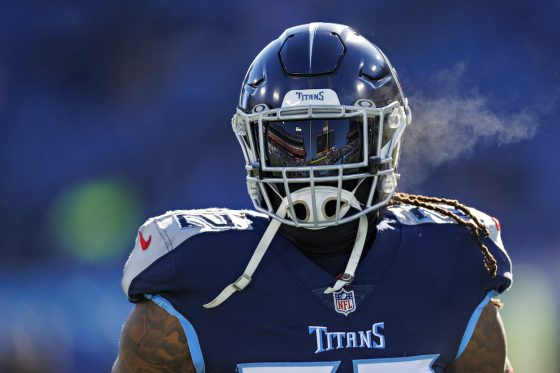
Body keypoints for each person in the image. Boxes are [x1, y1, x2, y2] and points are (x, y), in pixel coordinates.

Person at [113, 23, 513, 373]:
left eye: (336, 140)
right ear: (253, 142)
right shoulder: (199, 273)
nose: (313, 166)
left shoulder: (451, 257)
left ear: (385, 136)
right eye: (289, 142)